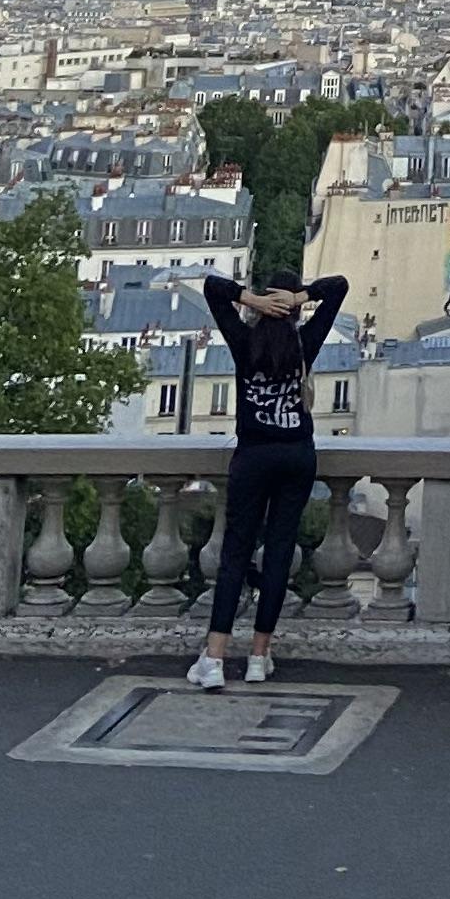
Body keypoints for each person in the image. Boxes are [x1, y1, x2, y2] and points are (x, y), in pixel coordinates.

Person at [188, 265, 347, 689]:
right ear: (293, 309)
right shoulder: (303, 343)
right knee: (278, 553)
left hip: (253, 455)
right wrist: (301, 297)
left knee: (235, 555)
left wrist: (250, 299)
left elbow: (211, 287)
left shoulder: (244, 341)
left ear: (263, 303)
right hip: (297, 453)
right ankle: (259, 656)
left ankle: (216, 658)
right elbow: (339, 287)